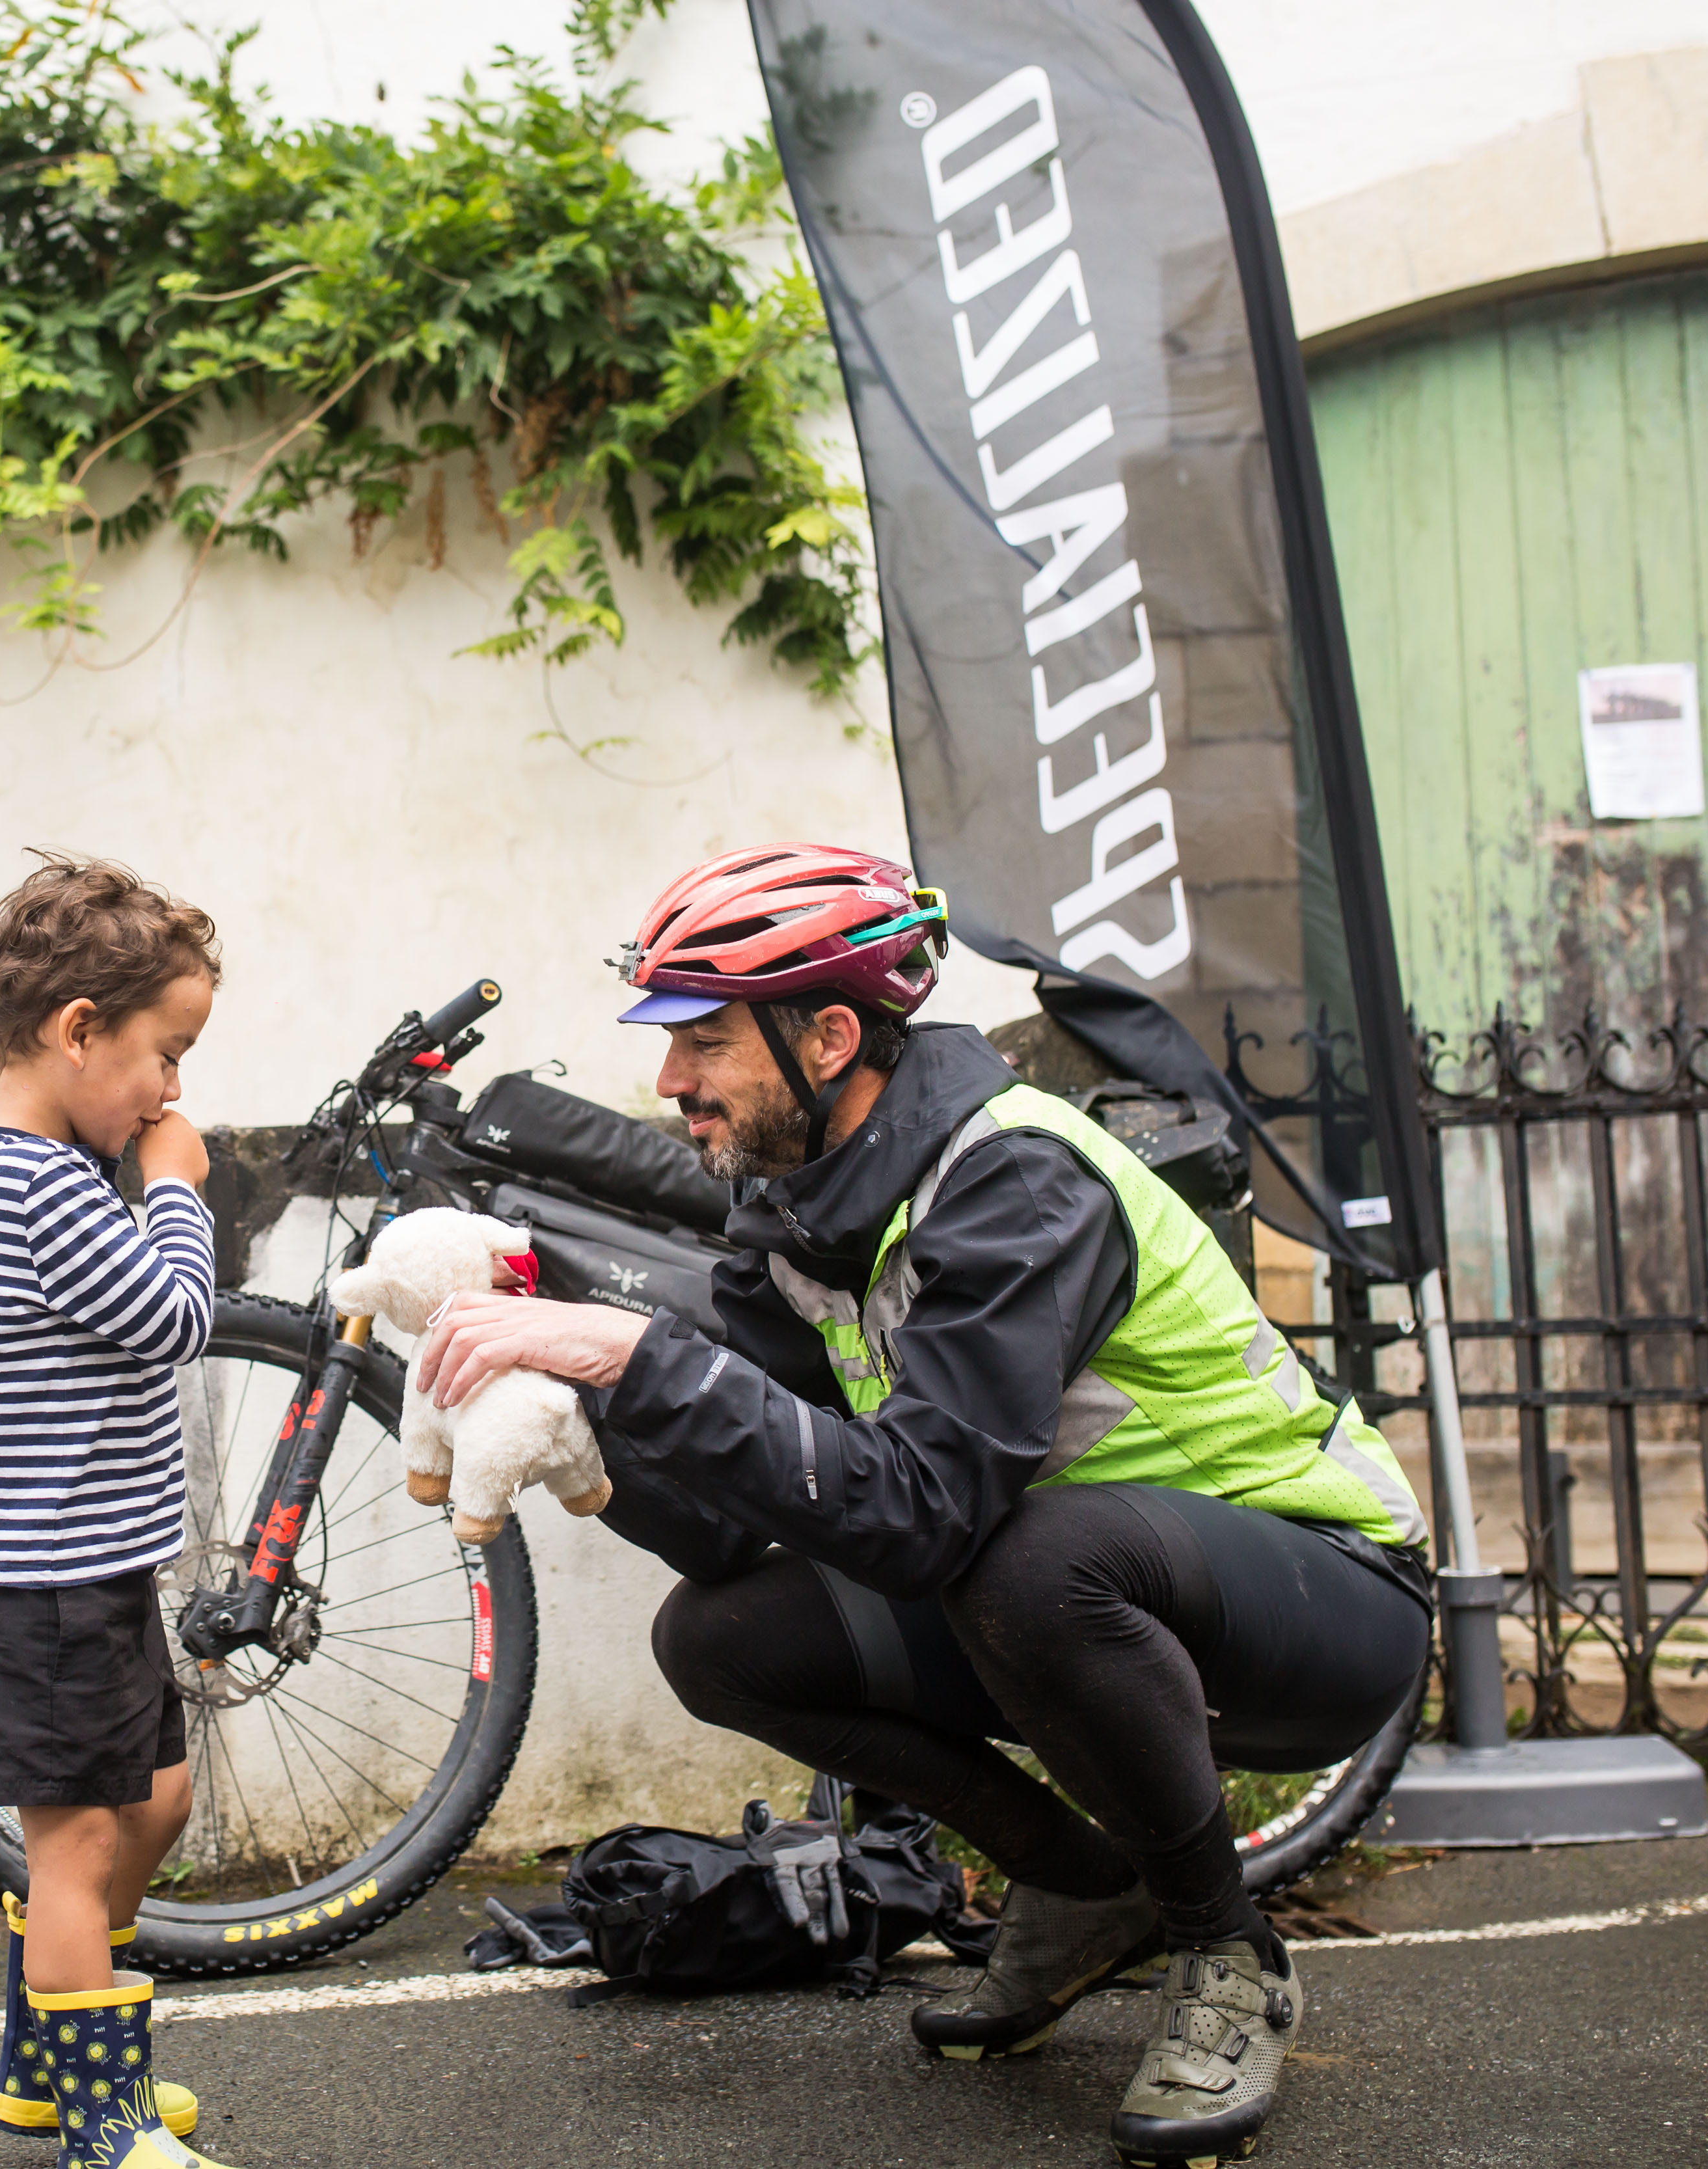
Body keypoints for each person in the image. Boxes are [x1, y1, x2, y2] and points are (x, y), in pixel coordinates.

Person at [413, 842, 1433, 2169]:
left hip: (1327, 1592)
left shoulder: (1015, 1178)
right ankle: (1088, 1887)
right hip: (1087, 1596)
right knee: (718, 1637)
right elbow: (736, 1519)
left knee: (1024, 1558)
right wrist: (581, 1443)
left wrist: (634, 1350)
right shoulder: (801, 1210)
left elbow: (921, 1516)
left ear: (830, 1037)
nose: (670, 1081)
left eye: (704, 1040)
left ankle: (1224, 1944)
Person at [0, 854, 241, 2169]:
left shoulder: (12, 1177)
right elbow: (175, 1318)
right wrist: (179, 1184)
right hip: (39, 1582)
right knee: (82, 1837)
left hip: (83, 1566)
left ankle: (41, 2065)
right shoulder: (42, 1185)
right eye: (166, 1055)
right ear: (80, 1029)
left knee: (150, 1803)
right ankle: (103, 2121)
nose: (171, 1093)